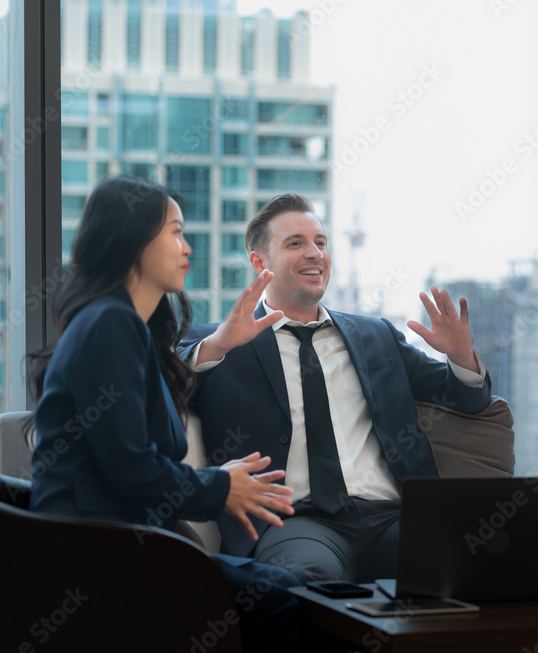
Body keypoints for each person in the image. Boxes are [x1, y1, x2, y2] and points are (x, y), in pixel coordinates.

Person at [29, 177, 303, 653]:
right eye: (174, 232)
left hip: (126, 544)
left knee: (280, 589)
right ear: (131, 239)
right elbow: (131, 469)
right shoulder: (108, 324)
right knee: (279, 601)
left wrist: (221, 347)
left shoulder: (125, 326)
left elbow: (142, 441)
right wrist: (221, 487)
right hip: (97, 557)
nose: (186, 246)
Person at [178, 193, 492, 583]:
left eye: (321, 243)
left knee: (469, 559)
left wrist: (462, 356)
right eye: (296, 243)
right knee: (311, 581)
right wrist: (220, 345)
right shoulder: (222, 342)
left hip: (391, 515)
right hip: (292, 521)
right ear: (261, 262)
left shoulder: (376, 335)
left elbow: (469, 399)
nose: (315, 253)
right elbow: (165, 389)